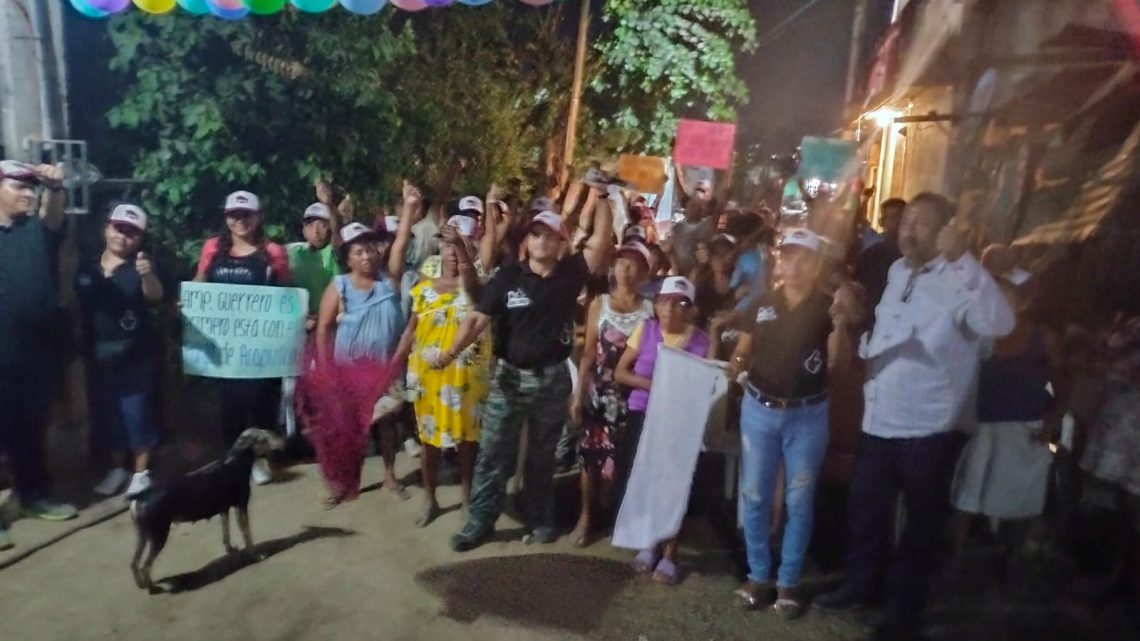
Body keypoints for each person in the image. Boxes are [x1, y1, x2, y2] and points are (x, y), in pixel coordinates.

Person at [814, 193, 1015, 641]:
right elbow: (889, 327)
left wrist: (964, 261)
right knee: (866, 512)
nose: (908, 230)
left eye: (921, 223)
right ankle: (859, 585)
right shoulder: (897, 270)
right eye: (906, 221)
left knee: (920, 528)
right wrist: (861, 338)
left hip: (930, 428)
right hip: (879, 419)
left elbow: (1000, 323)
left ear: (946, 229)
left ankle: (904, 611)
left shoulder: (962, 279)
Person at [442, 195, 611, 552]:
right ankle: (479, 521)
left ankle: (540, 520)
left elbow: (600, 241)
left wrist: (604, 197)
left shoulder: (570, 274)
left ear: (561, 242)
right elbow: (478, 318)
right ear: (526, 242)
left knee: (541, 456)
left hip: (551, 382)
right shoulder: (508, 276)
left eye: (550, 235)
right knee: (492, 453)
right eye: (535, 235)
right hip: (509, 380)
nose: (542, 241)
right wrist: (451, 351)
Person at [725, 228, 858, 620]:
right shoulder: (761, 304)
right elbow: (743, 350)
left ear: (817, 265)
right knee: (754, 495)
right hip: (759, 409)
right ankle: (758, 576)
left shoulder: (825, 306)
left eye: (804, 258)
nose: (794, 264)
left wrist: (841, 322)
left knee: (800, 499)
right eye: (788, 256)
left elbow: (838, 363)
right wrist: (735, 366)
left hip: (808, 414)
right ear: (779, 260)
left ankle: (788, 582)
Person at [949, 250, 1062, 568]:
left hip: (1025, 427)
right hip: (983, 424)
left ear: (1026, 303)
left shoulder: (1045, 338)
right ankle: (956, 556)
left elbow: (1061, 381)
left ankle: (1014, 558)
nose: (998, 299)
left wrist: (1053, 418)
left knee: (1021, 493)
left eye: (1008, 295)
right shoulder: (984, 332)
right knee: (969, 492)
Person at [310, 183, 413, 503]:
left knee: (387, 428)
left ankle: (389, 478)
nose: (367, 254)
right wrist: (326, 369)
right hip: (348, 374)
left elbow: (398, 246)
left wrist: (408, 208)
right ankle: (339, 484)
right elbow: (324, 329)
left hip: (385, 371)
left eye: (369, 248)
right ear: (348, 257)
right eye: (358, 251)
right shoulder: (338, 286)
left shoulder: (389, 279)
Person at [614, 276, 713, 585]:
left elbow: (708, 382)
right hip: (644, 414)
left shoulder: (701, 341)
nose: (670, 309)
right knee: (646, 480)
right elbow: (621, 372)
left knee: (675, 484)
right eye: (665, 301)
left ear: (691, 310)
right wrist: (652, 385)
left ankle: (671, 552)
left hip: (679, 420)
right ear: (656, 305)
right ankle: (649, 542)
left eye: (679, 303)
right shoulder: (646, 330)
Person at [0, 160, 77, 550]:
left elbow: (53, 214)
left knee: (30, 430)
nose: (29, 194)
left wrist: (56, 187)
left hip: (35, 356)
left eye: (33, 188)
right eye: (20, 188)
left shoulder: (37, 232)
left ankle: (34, 496)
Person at [396, 216, 491, 527]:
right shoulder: (424, 283)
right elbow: (411, 329)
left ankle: (467, 499)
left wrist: (465, 253)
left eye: (459, 242)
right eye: (447, 243)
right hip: (429, 374)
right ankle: (430, 499)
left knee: (467, 441)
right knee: (429, 442)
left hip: (467, 377)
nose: (451, 250)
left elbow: (477, 298)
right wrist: (394, 363)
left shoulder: (481, 281)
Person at [194, 190, 292, 484]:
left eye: (246, 214)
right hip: (225, 347)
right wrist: (191, 299)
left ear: (258, 217)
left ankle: (260, 461)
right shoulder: (213, 247)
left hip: (260, 347)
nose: (240, 220)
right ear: (226, 218)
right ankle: (233, 460)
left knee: (261, 403)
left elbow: (286, 292)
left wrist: (298, 317)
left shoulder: (272, 251)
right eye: (234, 215)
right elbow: (200, 281)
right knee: (229, 405)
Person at [569, 242, 654, 547]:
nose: (624, 269)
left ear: (644, 272)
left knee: (625, 458)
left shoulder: (649, 310)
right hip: (599, 392)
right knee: (590, 457)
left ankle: (617, 515)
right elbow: (590, 352)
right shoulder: (599, 303)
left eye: (632, 264)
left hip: (633, 396)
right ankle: (585, 517)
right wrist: (578, 393)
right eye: (620, 262)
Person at [76, 204, 164, 498]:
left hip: (135, 357)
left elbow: (155, 296)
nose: (122, 236)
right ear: (106, 228)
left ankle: (141, 473)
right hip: (98, 358)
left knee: (137, 416)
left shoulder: (141, 267)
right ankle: (117, 469)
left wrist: (147, 275)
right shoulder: (87, 269)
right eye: (118, 228)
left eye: (131, 232)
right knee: (109, 416)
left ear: (139, 238)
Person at [283, 202, 341, 436]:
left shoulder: (336, 254)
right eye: (311, 225)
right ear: (303, 229)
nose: (317, 231)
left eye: (323, 225)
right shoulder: (292, 253)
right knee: (292, 387)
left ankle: (327, 434)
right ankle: (293, 435)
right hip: (297, 331)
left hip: (329, 331)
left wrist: (329, 202)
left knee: (326, 384)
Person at [855, 198, 905, 315]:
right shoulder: (870, 257)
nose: (899, 223)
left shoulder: (915, 258)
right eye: (893, 218)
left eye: (903, 219)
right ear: (881, 222)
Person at [691, 233, 738, 330]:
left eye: (726, 253)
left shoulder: (741, 281)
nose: (721, 258)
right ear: (710, 257)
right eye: (716, 253)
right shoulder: (702, 284)